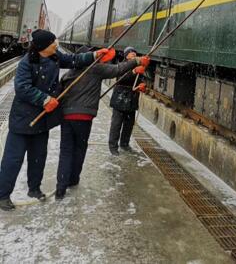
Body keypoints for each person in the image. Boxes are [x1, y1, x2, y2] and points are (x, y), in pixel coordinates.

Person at [0, 29, 114, 211]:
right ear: (45, 46)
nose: (57, 43)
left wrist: (94, 55)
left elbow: (74, 60)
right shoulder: (26, 63)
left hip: (42, 120)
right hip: (23, 120)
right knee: (13, 159)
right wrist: (44, 99)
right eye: (54, 41)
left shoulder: (54, 57)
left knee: (39, 157)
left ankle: (34, 189)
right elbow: (22, 88)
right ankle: (3, 195)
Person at [55, 46, 149, 199]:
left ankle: (60, 189)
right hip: (84, 118)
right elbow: (118, 69)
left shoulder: (68, 75)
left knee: (65, 151)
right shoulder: (96, 70)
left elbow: (59, 93)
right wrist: (136, 61)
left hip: (67, 117)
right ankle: (73, 180)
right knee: (79, 149)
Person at [108, 46, 148, 155]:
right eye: (131, 53)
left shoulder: (139, 65)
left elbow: (143, 78)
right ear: (126, 55)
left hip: (132, 98)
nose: (134, 54)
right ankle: (113, 147)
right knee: (116, 124)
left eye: (135, 52)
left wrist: (143, 84)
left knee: (129, 124)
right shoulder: (122, 65)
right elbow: (121, 78)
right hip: (120, 97)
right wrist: (134, 71)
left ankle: (124, 144)